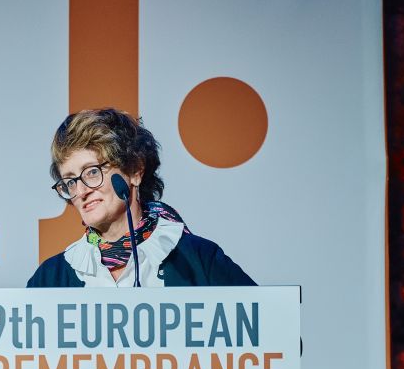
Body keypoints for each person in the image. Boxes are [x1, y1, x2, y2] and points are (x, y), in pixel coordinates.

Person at [27, 108, 256, 288]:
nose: (81, 191)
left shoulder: (198, 260)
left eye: (92, 172)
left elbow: (267, 329)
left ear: (135, 170)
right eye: (70, 181)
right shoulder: (50, 278)